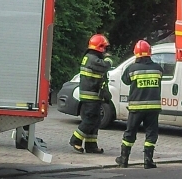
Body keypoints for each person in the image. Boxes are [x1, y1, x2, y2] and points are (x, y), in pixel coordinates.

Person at [119, 39, 163, 169]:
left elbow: (125, 80)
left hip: (136, 109)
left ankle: (123, 160)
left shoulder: (132, 69)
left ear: (136, 54)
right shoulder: (158, 69)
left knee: (130, 133)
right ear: (150, 53)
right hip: (153, 109)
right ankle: (148, 161)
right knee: (151, 134)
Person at [70, 33, 112, 154]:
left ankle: (91, 145)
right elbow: (105, 66)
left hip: (93, 94)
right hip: (90, 95)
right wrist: (108, 58)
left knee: (96, 120)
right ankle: (76, 140)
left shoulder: (90, 57)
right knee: (90, 119)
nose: (105, 50)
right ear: (99, 47)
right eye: (104, 48)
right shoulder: (93, 59)